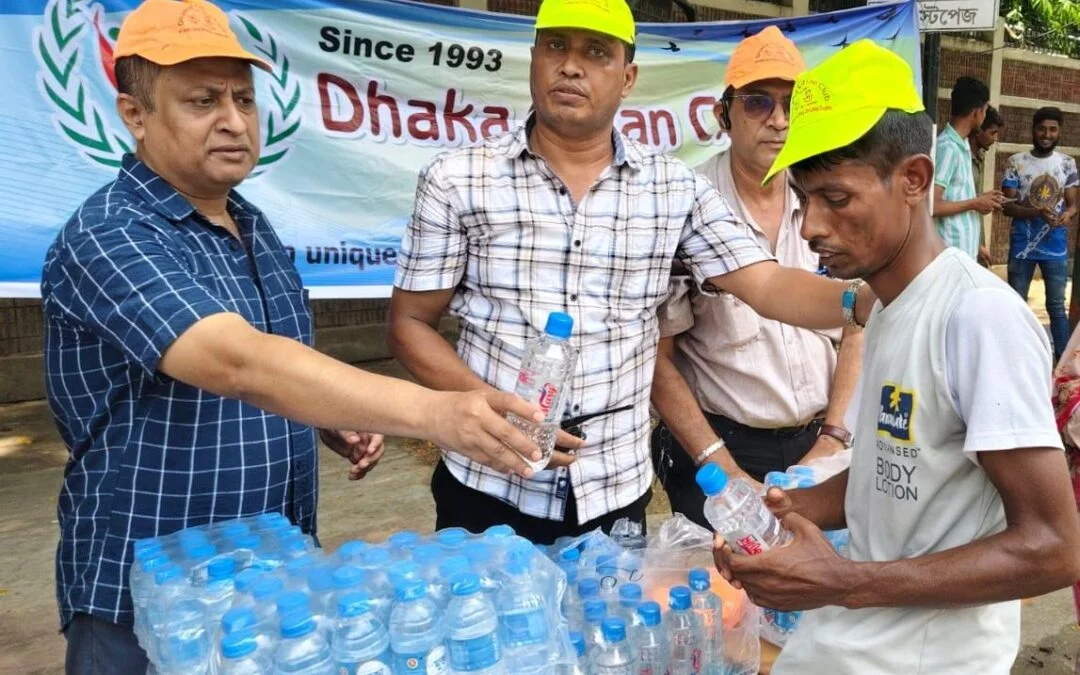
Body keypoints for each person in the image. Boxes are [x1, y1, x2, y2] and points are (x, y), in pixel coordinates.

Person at [42, 1, 547, 671]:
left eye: (243, 99)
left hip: (268, 586)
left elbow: (280, 363)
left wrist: (325, 417)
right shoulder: (110, 234)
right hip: (145, 602)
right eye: (202, 100)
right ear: (135, 113)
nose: (232, 119)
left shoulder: (251, 225)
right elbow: (236, 361)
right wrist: (436, 412)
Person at [388, 0, 875, 545]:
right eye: (556, 47)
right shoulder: (458, 179)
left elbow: (764, 283)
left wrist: (870, 297)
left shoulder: (671, 189)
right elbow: (410, 324)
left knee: (611, 628)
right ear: (532, 59)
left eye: (596, 52)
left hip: (613, 489)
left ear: (628, 77)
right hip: (487, 482)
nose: (572, 66)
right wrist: (488, 410)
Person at [714, 40, 1080, 674]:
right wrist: (792, 509)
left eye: (836, 198)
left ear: (913, 179)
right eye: (804, 201)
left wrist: (844, 582)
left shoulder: (977, 319)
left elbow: (1052, 548)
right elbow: (900, 471)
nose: (810, 228)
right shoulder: (885, 308)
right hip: (855, 642)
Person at [649, 26, 862, 528]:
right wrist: (721, 467)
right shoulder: (685, 208)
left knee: (818, 595)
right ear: (723, 114)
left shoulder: (828, 200)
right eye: (758, 103)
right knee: (724, 598)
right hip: (721, 449)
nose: (780, 121)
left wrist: (833, 437)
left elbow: (858, 323)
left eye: (792, 104)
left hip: (824, 442)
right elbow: (657, 359)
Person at [1003, 106, 1079, 361]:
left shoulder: (1067, 164)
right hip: (1022, 245)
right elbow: (1007, 206)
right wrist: (1035, 211)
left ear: (1059, 132)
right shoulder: (1016, 162)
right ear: (1033, 130)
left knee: (1056, 307)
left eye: (1052, 129)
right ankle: (1013, 358)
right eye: (1042, 129)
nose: (1047, 134)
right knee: (1015, 305)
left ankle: (1064, 364)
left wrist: (1067, 215)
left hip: (1055, 247)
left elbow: (1073, 205)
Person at [932, 76, 1005, 262]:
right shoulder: (947, 147)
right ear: (977, 112)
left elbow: (956, 196)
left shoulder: (962, 145)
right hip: (949, 258)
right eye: (985, 110)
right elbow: (932, 205)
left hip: (963, 255)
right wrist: (975, 203)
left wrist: (981, 200)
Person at [969, 105, 1003, 267]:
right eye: (992, 133)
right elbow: (944, 205)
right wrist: (976, 246)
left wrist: (988, 198)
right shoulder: (957, 156)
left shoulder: (980, 157)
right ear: (978, 130)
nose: (995, 138)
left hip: (976, 236)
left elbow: (971, 197)